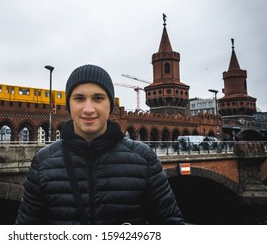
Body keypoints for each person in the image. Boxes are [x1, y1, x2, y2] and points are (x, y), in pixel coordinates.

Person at [15, 64, 184, 225]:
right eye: (79, 98)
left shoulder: (144, 159)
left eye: (98, 98)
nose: (89, 109)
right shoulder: (43, 163)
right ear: (69, 105)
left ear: (111, 105)